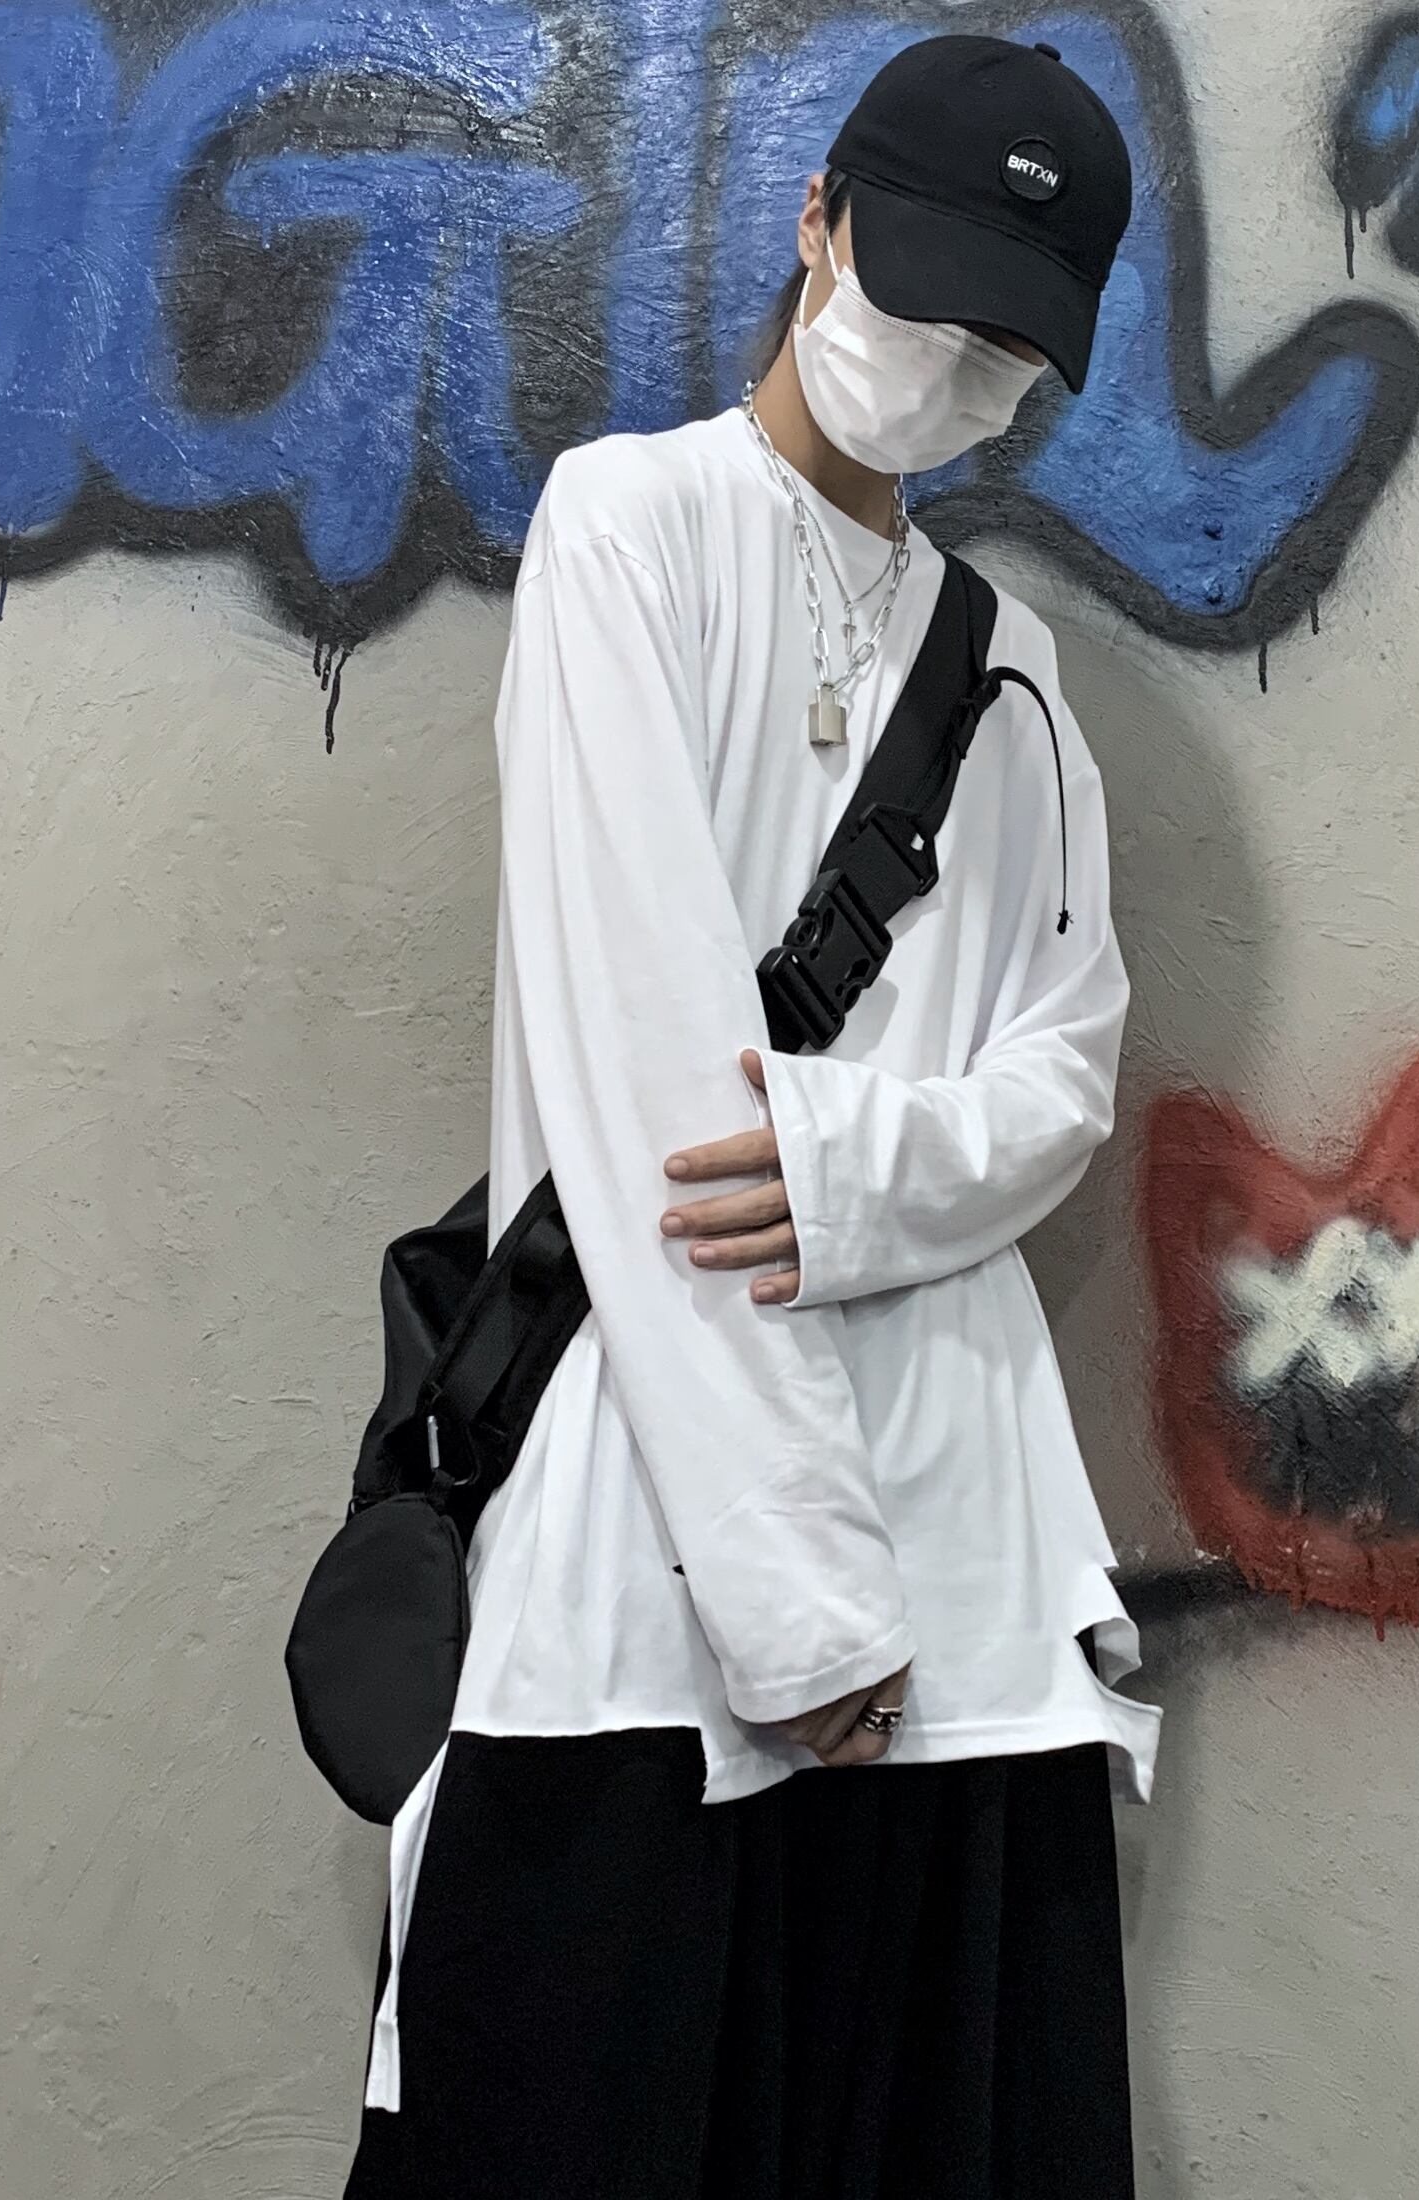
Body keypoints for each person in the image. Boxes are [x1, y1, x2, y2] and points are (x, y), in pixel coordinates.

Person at [345, 33, 1158, 2200]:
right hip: (660, 1576)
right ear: (817, 223)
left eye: (1006, 345)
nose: (951, 368)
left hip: (969, 1600)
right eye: (925, 298)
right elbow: (638, 1082)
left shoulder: (1013, 672)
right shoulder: (629, 528)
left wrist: (836, 1166)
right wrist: (799, 1602)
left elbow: (1062, 1079)